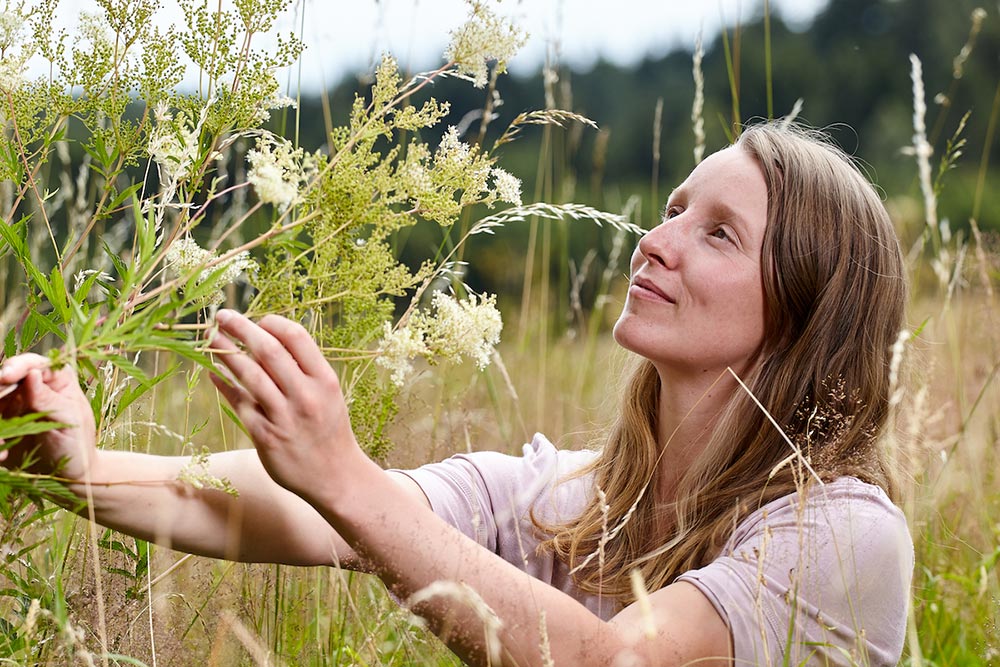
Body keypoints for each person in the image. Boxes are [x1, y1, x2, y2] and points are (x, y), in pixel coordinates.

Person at [0, 122, 913, 666]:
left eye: (719, 233)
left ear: (808, 310)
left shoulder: (846, 533)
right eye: (674, 207)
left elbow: (614, 661)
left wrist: (343, 474)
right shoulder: (573, 500)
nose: (656, 239)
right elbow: (315, 517)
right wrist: (81, 468)